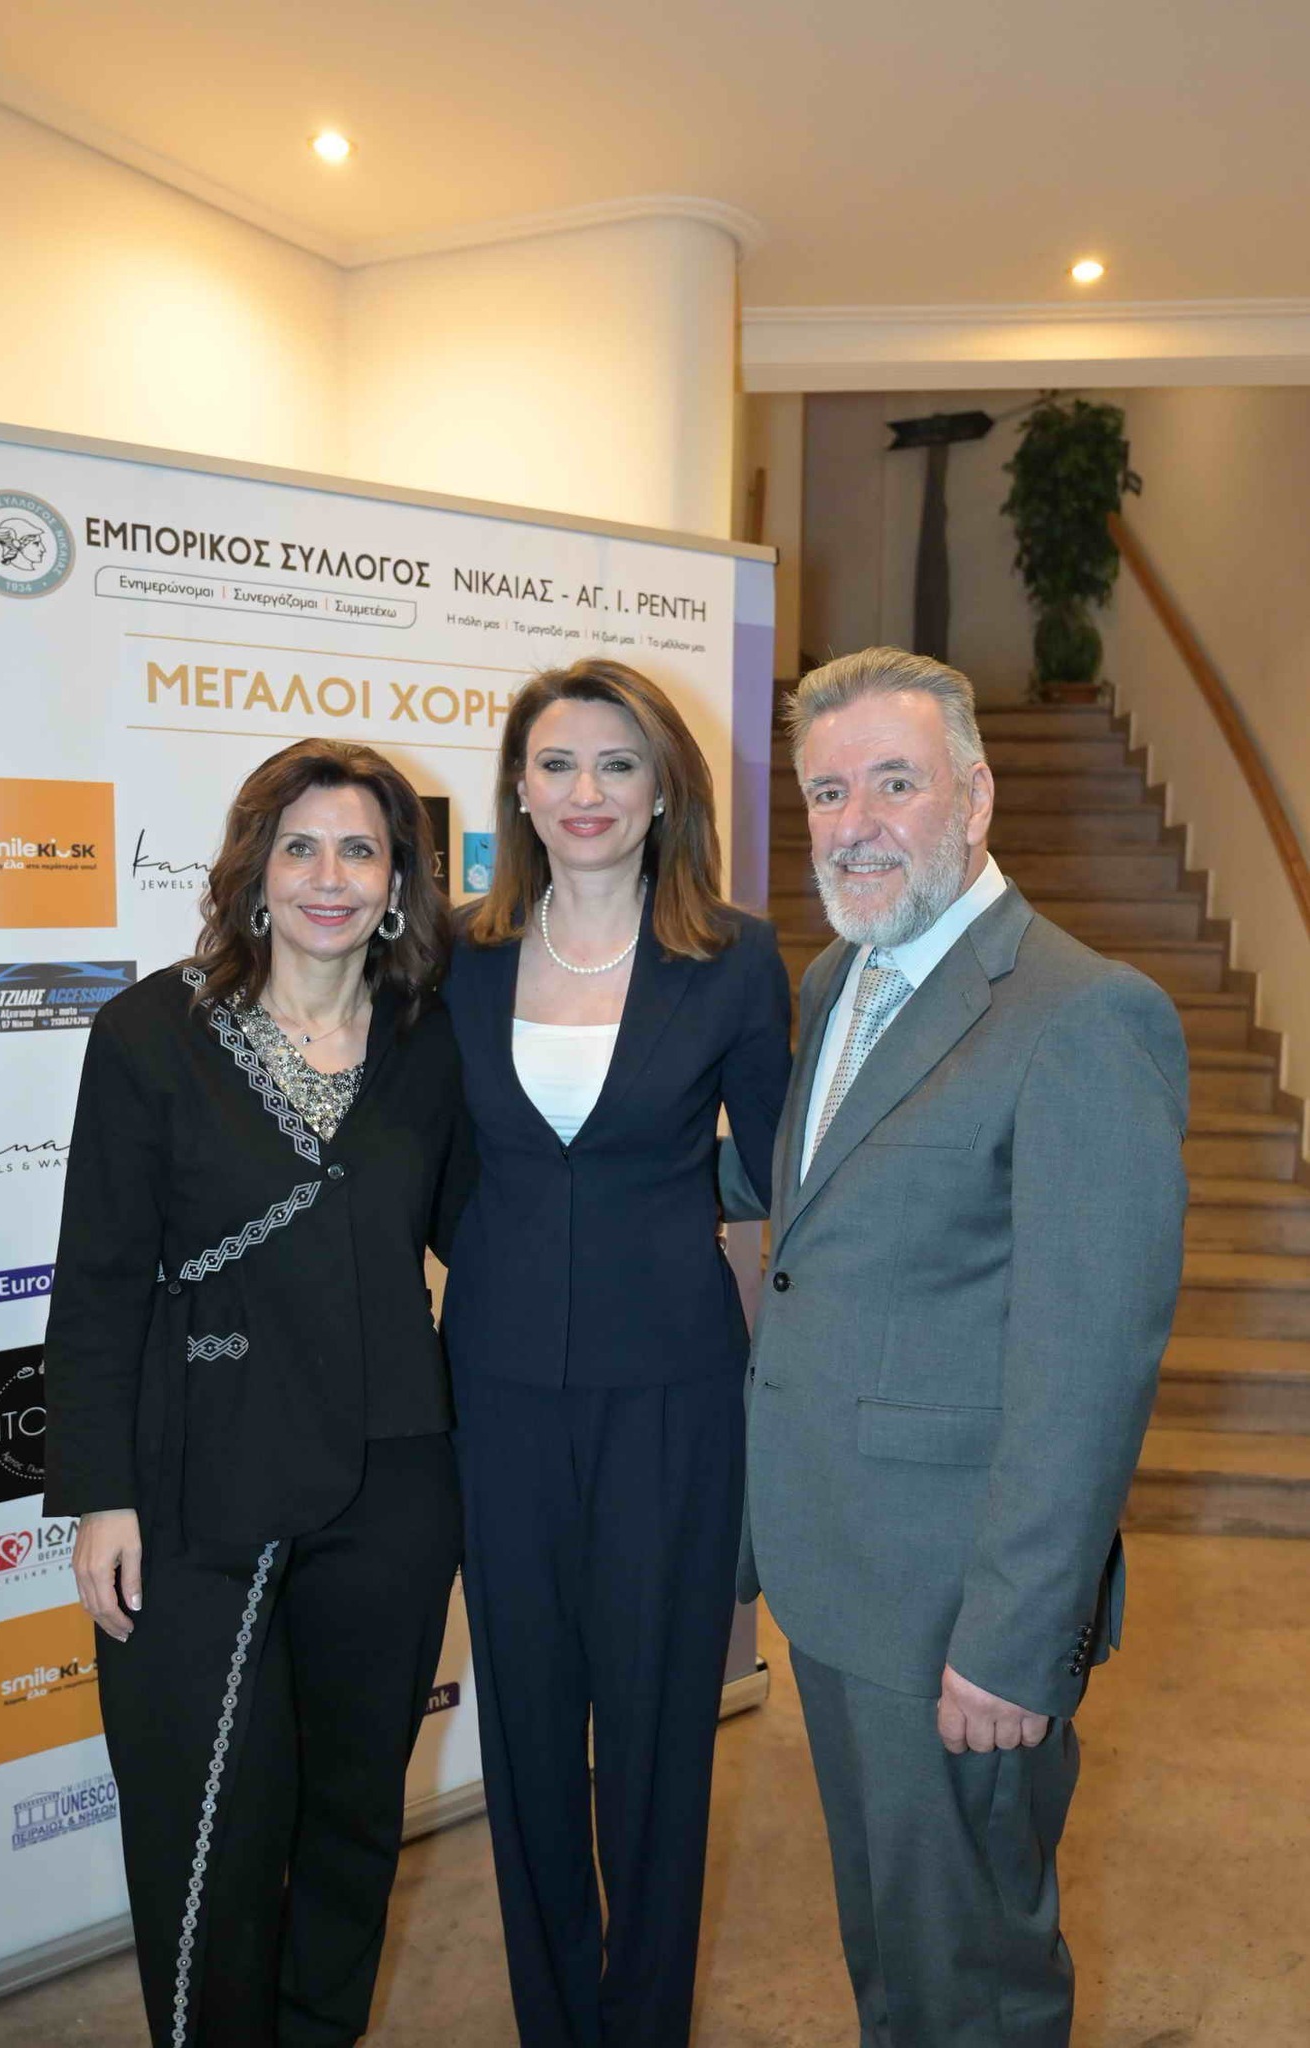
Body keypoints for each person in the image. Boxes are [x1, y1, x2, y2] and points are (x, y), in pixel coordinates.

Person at [739, 648, 1188, 2046]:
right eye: (828, 792)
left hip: (955, 1618)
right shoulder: (838, 979)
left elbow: (1088, 1369)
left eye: (896, 782)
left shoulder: (1081, 1014)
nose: (856, 824)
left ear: (977, 797)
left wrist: (1012, 1639)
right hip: (842, 1582)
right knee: (895, 1957)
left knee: (971, 1983)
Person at [44, 737, 473, 2048]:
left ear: (398, 881)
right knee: (208, 1835)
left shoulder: (433, 1042)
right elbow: (98, 1281)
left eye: (360, 850)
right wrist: (99, 1495)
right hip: (199, 1484)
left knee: (352, 1820)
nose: (329, 878)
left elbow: (488, 1234)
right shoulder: (149, 1035)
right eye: (300, 848)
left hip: (392, 1482)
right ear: (253, 871)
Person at [442, 657, 792, 2048]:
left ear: (663, 793)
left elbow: (783, 1166)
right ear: (520, 792)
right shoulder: (458, 957)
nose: (585, 792)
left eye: (617, 764)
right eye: (557, 764)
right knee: (526, 1724)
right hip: (496, 1389)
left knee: (656, 1732)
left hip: (673, 1393)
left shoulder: (736, 956)